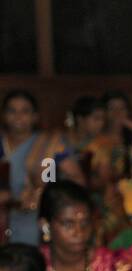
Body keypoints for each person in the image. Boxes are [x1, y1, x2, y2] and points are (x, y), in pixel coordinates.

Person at [38, 181, 132, 271]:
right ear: (46, 226)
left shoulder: (110, 264)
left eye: (85, 223)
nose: (79, 232)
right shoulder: (35, 268)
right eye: (68, 224)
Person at [2, 90, 74, 246]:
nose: (18, 117)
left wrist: (42, 193)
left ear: (35, 116)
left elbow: (72, 177)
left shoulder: (49, 144)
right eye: (12, 111)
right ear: (4, 115)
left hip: (34, 214)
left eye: (25, 111)